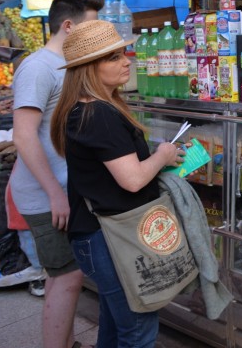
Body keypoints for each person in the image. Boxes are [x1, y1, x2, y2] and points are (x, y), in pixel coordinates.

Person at [50, 20, 184, 347]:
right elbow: (133, 179)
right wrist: (163, 155)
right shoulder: (98, 114)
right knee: (137, 333)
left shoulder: (85, 110)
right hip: (110, 238)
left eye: (123, 53)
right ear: (87, 69)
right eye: (112, 57)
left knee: (114, 327)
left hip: (99, 235)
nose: (126, 61)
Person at [10, 0, 103, 348]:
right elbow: (23, 136)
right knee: (68, 276)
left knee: (62, 274)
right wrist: (54, 194)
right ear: (68, 26)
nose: (94, 35)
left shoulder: (67, 66)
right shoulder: (38, 68)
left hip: (63, 192)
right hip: (44, 194)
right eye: (89, 26)